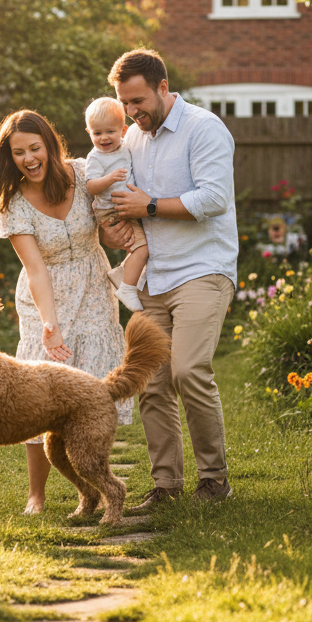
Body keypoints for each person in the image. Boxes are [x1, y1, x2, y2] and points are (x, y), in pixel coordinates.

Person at [0, 109, 131, 514]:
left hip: (93, 290)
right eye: (18, 152)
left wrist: (120, 232)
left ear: (50, 146)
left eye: (35, 148)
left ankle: (95, 487)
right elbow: (35, 268)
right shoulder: (14, 204)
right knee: (37, 397)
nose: (29, 158)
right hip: (46, 295)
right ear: (10, 157)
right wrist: (49, 325)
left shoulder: (81, 172)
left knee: (91, 394)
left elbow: (107, 220)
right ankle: (36, 495)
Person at [103, 48, 238, 505]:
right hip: (153, 276)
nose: (131, 112)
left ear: (163, 88)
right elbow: (125, 196)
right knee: (152, 379)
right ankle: (166, 485)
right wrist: (121, 220)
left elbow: (214, 199)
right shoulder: (134, 139)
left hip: (204, 269)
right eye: (124, 102)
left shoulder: (204, 129)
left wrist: (151, 206)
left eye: (138, 100)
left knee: (188, 369)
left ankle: (214, 480)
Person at [83, 97, 150, 312]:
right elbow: (91, 186)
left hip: (127, 206)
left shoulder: (125, 148)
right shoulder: (95, 158)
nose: (104, 138)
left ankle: (122, 274)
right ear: (89, 133)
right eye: (97, 133)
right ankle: (127, 288)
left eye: (110, 131)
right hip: (110, 210)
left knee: (143, 245)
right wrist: (109, 179)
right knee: (142, 248)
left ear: (123, 130)